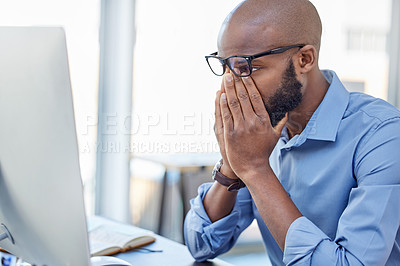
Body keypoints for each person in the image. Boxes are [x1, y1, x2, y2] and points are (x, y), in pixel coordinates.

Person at [183, 0, 400, 265]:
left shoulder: (383, 135)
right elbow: (201, 244)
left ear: (305, 59)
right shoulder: (260, 132)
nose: (230, 84)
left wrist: (254, 168)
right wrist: (231, 165)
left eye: (246, 66)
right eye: (225, 66)